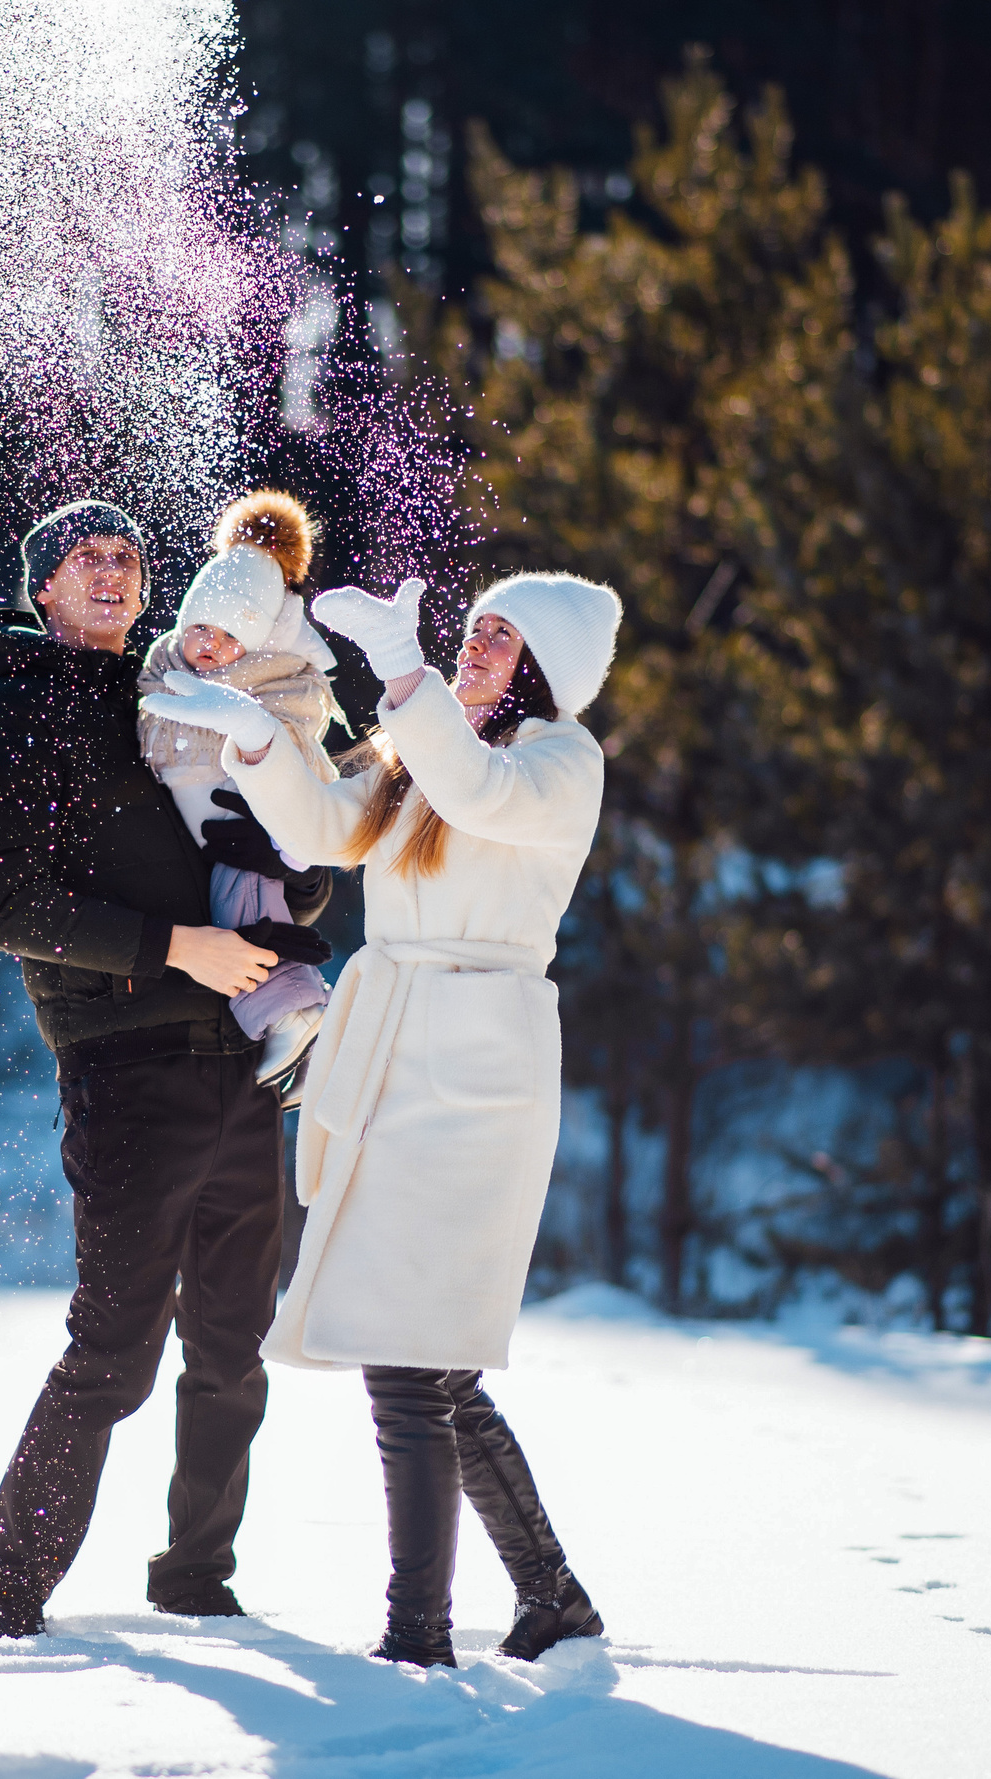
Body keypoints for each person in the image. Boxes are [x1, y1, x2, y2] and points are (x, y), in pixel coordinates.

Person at [142, 568, 621, 1669]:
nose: (478, 647)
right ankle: (552, 1599)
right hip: (398, 1053)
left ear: (548, 668)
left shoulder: (557, 763)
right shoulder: (422, 750)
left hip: (475, 1070)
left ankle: (417, 1639)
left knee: (407, 1358)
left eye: (502, 639)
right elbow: (319, 827)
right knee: (430, 1359)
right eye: (474, 632)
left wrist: (405, 675)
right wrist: (251, 737)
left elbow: (479, 795)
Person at [0, 497, 335, 1639]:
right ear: (44, 587)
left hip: (244, 1055)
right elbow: (5, 907)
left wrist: (300, 882)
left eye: (129, 556)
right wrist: (178, 949)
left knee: (233, 1345)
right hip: (124, 1060)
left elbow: (267, 825)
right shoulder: (5, 717)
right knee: (115, 1348)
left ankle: (198, 1587)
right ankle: (6, 1597)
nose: (112, 571)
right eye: (85, 556)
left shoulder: (180, 692)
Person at [134, 489, 346, 1090]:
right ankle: (308, 1036)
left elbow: (298, 729)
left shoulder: (273, 675)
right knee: (238, 919)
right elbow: (148, 698)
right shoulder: (163, 659)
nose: (212, 646)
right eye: (201, 627)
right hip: (194, 815)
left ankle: (296, 1015)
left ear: (253, 643)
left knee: (245, 912)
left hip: (245, 817)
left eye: (231, 638)